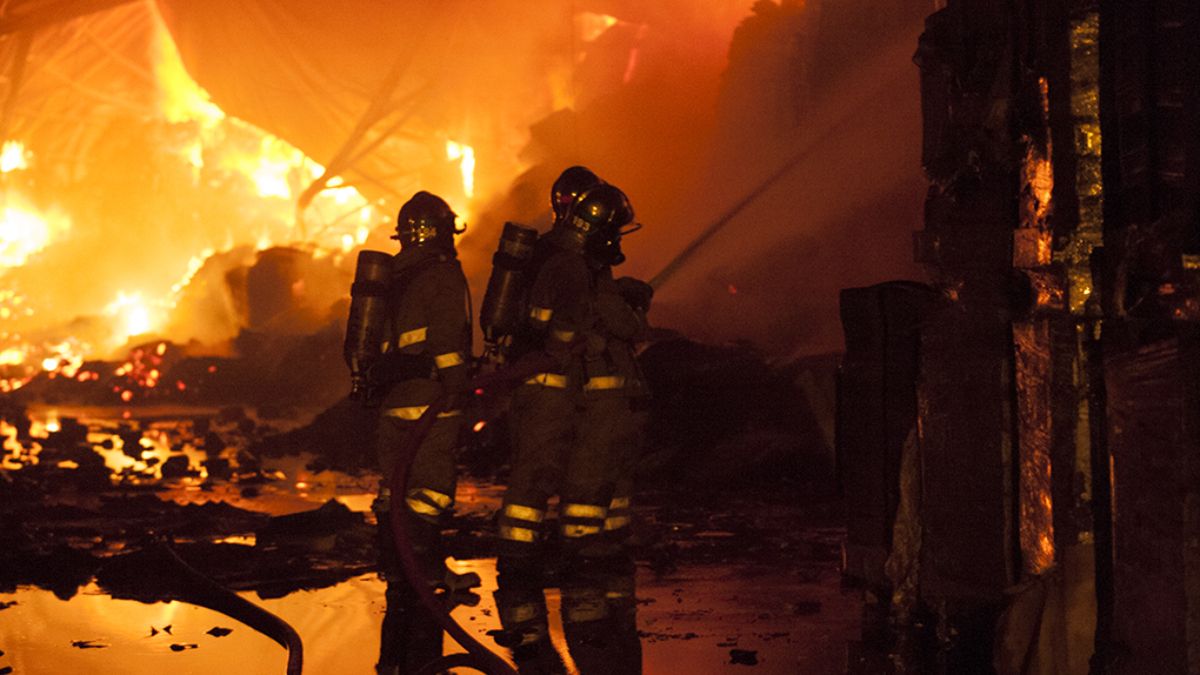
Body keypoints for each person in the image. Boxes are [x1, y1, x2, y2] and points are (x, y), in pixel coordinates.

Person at [493, 177, 642, 671]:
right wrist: (623, 320)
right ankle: (527, 576)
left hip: (541, 389)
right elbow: (587, 325)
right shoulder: (575, 269)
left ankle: (522, 580)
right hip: (555, 390)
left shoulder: (548, 255)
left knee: (533, 480)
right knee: (540, 480)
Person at [368, 190, 474, 674]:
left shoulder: (389, 278)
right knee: (429, 492)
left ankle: (399, 575)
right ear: (441, 231)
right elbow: (449, 341)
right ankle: (425, 577)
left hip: (391, 404)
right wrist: (459, 389)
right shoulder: (442, 275)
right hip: (431, 400)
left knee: (396, 491)